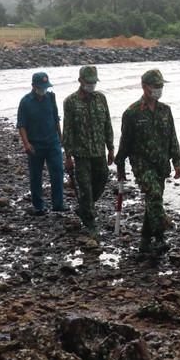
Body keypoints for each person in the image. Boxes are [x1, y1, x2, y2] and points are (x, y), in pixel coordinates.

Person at [114, 69, 180, 253]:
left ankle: (145, 240)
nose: (159, 89)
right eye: (156, 86)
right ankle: (160, 237)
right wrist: (120, 166)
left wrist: (177, 161)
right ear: (144, 86)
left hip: (161, 164)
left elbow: (172, 137)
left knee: (153, 202)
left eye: (161, 85)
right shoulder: (132, 112)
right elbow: (125, 142)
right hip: (142, 165)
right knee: (154, 196)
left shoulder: (165, 110)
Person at [62, 65, 115, 238]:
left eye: (94, 82)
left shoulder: (101, 99)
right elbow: (68, 129)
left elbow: (107, 124)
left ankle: (84, 208)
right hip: (81, 153)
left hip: (99, 150)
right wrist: (68, 156)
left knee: (102, 179)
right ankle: (92, 223)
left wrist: (111, 148)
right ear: (80, 81)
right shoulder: (71, 102)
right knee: (84, 188)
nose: (92, 85)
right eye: (88, 82)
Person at [17, 71, 67, 216]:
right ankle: (38, 206)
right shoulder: (25, 102)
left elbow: (56, 118)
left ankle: (58, 204)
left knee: (57, 172)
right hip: (35, 145)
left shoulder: (50, 98)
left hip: (52, 142)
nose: (43, 90)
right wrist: (26, 143)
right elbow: (21, 125)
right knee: (35, 176)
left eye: (45, 87)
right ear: (33, 85)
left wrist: (61, 137)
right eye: (40, 87)